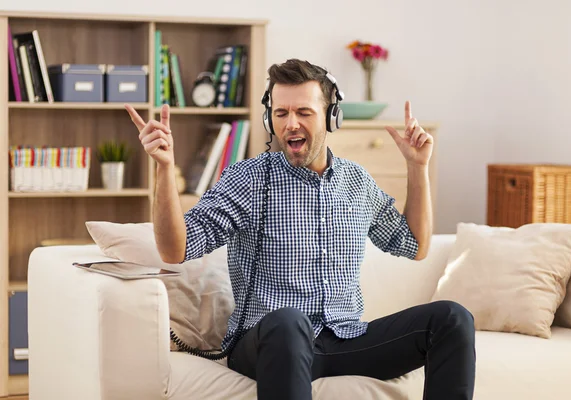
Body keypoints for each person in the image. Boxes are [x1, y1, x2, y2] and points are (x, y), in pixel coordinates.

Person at [125, 59, 476, 400]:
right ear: (269, 118)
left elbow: (414, 245)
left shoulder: (357, 182)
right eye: (281, 113)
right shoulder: (246, 179)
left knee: (452, 318)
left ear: (330, 116)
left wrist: (418, 167)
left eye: (303, 112)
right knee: (290, 323)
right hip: (269, 342)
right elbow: (176, 249)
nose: (291, 124)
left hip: (344, 337)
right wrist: (164, 169)